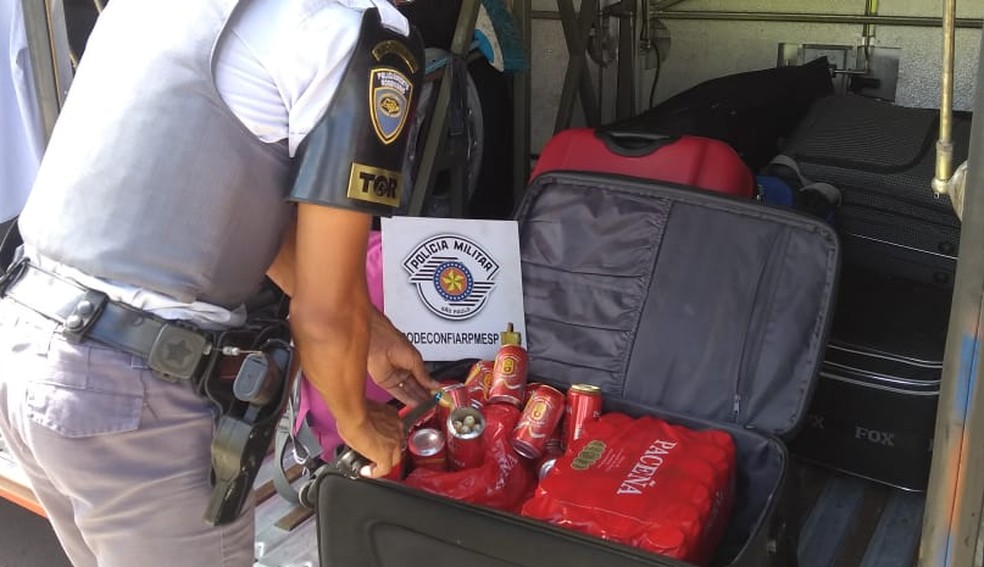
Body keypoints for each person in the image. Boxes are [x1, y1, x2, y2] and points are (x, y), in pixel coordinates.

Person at [0, 0, 441, 565]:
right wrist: (359, 423)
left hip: (31, 343)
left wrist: (370, 334)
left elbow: (222, 201)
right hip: (133, 395)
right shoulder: (356, 36)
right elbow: (324, 319)